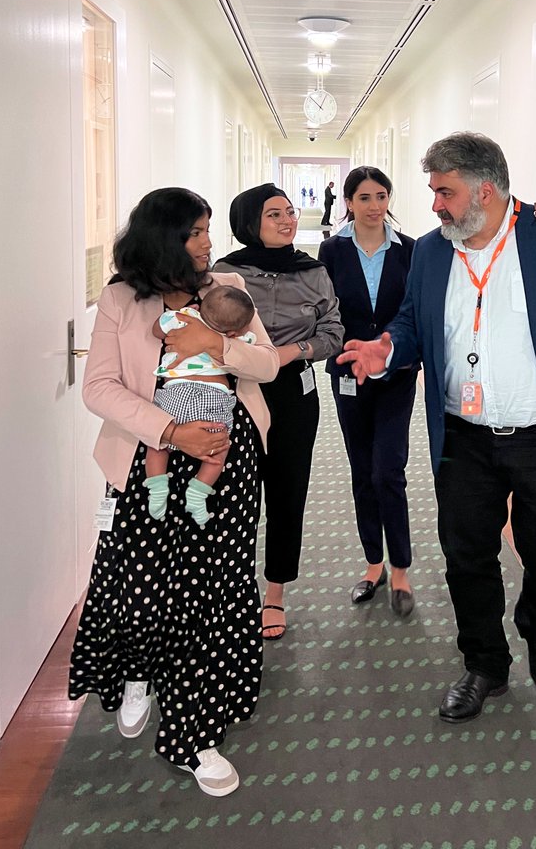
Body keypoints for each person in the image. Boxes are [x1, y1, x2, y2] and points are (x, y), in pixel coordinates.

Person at [338, 133, 536, 723]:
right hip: (463, 436)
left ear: (486, 189)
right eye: (433, 192)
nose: (435, 205)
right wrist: (388, 348)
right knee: (466, 553)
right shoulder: (430, 252)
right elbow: (413, 323)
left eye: (444, 192)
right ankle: (484, 663)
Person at [69, 188, 279, 797]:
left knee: (208, 591)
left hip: (223, 456)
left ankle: (193, 734)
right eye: (195, 233)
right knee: (139, 582)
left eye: (208, 230)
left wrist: (217, 346)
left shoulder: (227, 285)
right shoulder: (121, 298)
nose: (208, 243)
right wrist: (169, 430)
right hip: (147, 458)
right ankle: (138, 669)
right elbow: (100, 387)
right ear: (163, 238)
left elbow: (265, 365)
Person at [214, 184, 344, 640]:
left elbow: (333, 331)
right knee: (234, 495)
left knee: (288, 491)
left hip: (293, 391)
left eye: (290, 213)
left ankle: (275, 593)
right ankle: (231, 589)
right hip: (235, 392)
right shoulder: (225, 273)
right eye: (275, 215)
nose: (288, 221)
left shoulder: (313, 271)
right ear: (251, 222)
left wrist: (291, 353)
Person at [318, 167, 418, 617]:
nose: (375, 206)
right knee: (362, 468)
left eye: (381, 195)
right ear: (349, 202)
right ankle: (373, 563)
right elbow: (325, 311)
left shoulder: (410, 251)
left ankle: (401, 568)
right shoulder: (331, 251)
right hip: (347, 374)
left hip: (397, 374)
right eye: (364, 197)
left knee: (388, 470)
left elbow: (413, 313)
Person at [145, 284, 256, 527]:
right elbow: (252, 352)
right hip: (212, 398)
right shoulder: (233, 337)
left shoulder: (183, 317)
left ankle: (157, 487)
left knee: (158, 443)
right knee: (219, 447)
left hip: (175, 393)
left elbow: (157, 330)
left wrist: (181, 314)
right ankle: (198, 493)